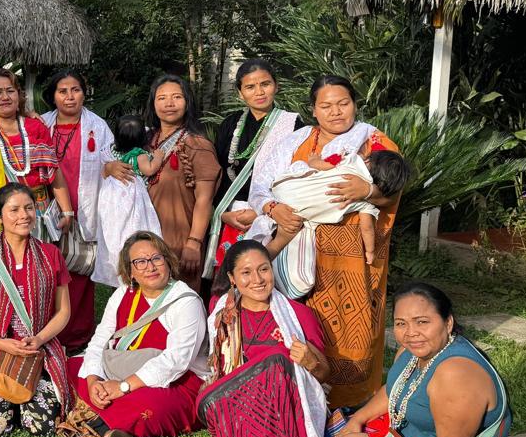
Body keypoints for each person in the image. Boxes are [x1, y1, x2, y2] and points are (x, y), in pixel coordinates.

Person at [247, 75, 403, 409]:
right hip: (298, 252)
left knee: (355, 331)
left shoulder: (373, 141)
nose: (335, 112)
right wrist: (274, 209)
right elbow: (261, 188)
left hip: (352, 262)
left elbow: (395, 186)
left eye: (343, 103)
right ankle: (302, 402)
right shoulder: (295, 142)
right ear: (313, 110)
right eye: (326, 105)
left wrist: (367, 192)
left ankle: (355, 404)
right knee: (303, 326)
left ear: (355, 105)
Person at [330, 282, 511, 437]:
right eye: (401, 323)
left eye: (422, 322)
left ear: (448, 323)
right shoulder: (414, 351)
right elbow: (396, 386)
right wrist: (358, 419)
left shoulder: (454, 374)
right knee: (341, 429)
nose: (410, 332)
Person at [58, 232, 208, 437]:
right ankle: (109, 426)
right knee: (69, 368)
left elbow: (176, 361)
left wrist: (122, 387)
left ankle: (105, 424)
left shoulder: (185, 302)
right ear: (131, 271)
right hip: (121, 369)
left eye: (156, 258)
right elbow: (100, 341)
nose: (150, 267)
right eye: (140, 262)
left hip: (175, 381)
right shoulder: (121, 295)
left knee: (151, 405)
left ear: (167, 261)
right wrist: (93, 382)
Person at [197, 241, 330, 437]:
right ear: (232, 278)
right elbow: (220, 372)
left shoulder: (298, 314)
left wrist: (310, 362)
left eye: (263, 269)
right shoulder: (223, 315)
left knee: (276, 361)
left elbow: (323, 376)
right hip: (238, 404)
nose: (257, 279)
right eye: (246, 272)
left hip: (284, 408)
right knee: (205, 396)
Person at [0, 184, 72, 437]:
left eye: (29, 208)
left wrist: (40, 339)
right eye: (14, 210)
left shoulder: (50, 253)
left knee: (43, 427)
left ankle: (24, 403)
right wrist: (2, 343)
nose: (23, 215)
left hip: (38, 350)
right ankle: (8, 404)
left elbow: (63, 311)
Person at [41, 69, 116, 353]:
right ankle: (48, 332)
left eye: (75, 90)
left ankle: (78, 337)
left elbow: (110, 162)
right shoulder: (41, 124)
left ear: (84, 93)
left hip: (84, 210)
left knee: (81, 273)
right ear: (54, 96)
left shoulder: (98, 125)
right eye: (63, 91)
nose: (70, 96)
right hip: (47, 210)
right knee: (49, 272)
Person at [0, 68, 74, 249]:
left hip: (36, 212)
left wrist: (66, 210)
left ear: (19, 95)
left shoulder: (36, 127)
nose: (5, 97)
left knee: (36, 269)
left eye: (10, 91)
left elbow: (53, 172)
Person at [206, 59, 301, 277]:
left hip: (272, 215)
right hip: (232, 215)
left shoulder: (292, 125)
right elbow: (218, 172)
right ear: (240, 93)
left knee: (264, 279)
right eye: (250, 87)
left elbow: (296, 176)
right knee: (230, 280)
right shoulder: (230, 124)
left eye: (265, 84)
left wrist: (261, 211)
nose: (259, 92)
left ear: (276, 86)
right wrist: (223, 213)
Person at [133, 74, 220, 285]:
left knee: (178, 303)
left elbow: (204, 200)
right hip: (143, 239)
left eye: (176, 97)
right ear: (153, 104)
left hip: (179, 242)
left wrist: (193, 243)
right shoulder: (145, 141)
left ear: (187, 102)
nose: (169, 103)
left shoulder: (197, 144)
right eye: (161, 98)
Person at [268, 147, 411, 267]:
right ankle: (263, 260)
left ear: (368, 160)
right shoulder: (366, 203)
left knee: (302, 167)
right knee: (278, 244)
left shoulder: (351, 161)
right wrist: (370, 251)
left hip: (284, 187)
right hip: (296, 213)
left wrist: (313, 161)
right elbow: (367, 228)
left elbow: (322, 165)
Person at [93, 114, 163, 289]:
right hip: (132, 195)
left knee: (114, 232)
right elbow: (149, 170)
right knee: (135, 225)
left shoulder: (109, 152)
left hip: (111, 198)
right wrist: (158, 157)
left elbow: (102, 172)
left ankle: (116, 267)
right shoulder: (139, 155)